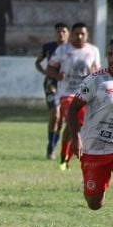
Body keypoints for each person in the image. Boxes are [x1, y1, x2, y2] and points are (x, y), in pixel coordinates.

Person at [47, 22, 100, 170]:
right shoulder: (63, 50)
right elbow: (50, 68)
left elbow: (97, 71)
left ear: (87, 35)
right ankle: (66, 159)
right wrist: (58, 76)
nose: (79, 36)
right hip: (67, 94)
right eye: (76, 34)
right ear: (72, 34)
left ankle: (64, 158)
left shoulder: (93, 50)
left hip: (86, 94)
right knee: (77, 124)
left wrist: (94, 73)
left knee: (73, 128)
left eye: (82, 34)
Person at [66, 40, 113, 210]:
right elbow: (72, 109)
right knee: (95, 203)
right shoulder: (95, 80)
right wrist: (76, 137)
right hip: (95, 146)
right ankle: (96, 184)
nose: (112, 58)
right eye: (110, 54)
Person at [35, 22, 70, 160]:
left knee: (61, 119)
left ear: (68, 33)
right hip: (51, 84)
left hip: (67, 86)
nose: (60, 34)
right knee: (55, 114)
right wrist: (45, 72)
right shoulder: (49, 47)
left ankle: (52, 146)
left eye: (63, 31)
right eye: (58, 31)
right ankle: (51, 147)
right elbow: (38, 62)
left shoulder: (72, 48)